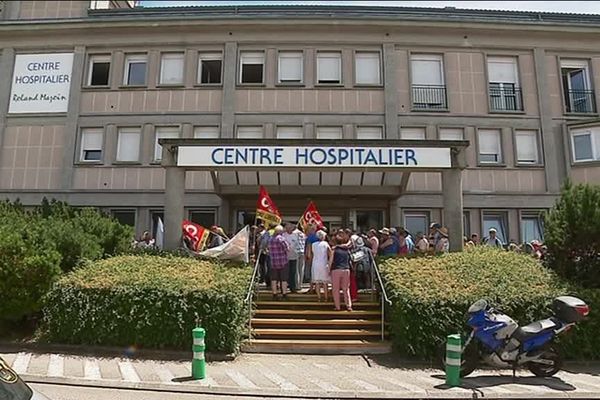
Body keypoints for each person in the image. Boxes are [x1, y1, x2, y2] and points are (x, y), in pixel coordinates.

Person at [330, 236, 352, 312]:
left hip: (336, 269)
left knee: (335, 289)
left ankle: (337, 306)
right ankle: (348, 305)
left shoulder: (334, 250)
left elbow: (331, 260)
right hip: (346, 269)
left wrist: (328, 269)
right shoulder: (347, 250)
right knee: (346, 289)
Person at [268, 225, 290, 300]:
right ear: (280, 232)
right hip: (283, 261)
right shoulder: (281, 239)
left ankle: (274, 294)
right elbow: (287, 249)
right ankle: (284, 294)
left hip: (273, 262)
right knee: (284, 279)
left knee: (274, 279)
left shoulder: (270, 239)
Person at [311, 230, 332, 302]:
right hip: (323, 263)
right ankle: (326, 297)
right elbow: (330, 253)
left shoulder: (313, 244)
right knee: (325, 282)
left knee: (317, 282)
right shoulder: (325, 244)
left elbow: (311, 254)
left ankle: (319, 297)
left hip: (315, 263)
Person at [283, 223, 301, 293]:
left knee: (293, 272)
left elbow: (298, 244)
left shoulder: (295, 235)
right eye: (287, 228)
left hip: (294, 256)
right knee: (286, 272)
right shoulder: (283, 235)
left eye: (290, 228)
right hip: (285, 257)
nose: (289, 229)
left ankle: (292, 287)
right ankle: (285, 286)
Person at [304, 224, 320, 292]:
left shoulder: (309, 238)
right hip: (319, 257)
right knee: (316, 273)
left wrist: (307, 257)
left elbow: (308, 247)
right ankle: (316, 288)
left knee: (311, 272)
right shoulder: (319, 237)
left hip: (312, 257)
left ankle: (311, 288)